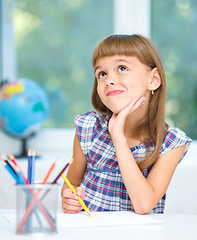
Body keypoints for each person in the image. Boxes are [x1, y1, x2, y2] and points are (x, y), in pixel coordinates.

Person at [61, 34, 192, 214]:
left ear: (153, 80)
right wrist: (69, 200)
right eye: (102, 73)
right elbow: (71, 185)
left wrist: (118, 139)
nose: (109, 80)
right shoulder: (88, 128)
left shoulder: (171, 143)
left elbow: (143, 205)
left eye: (122, 68)